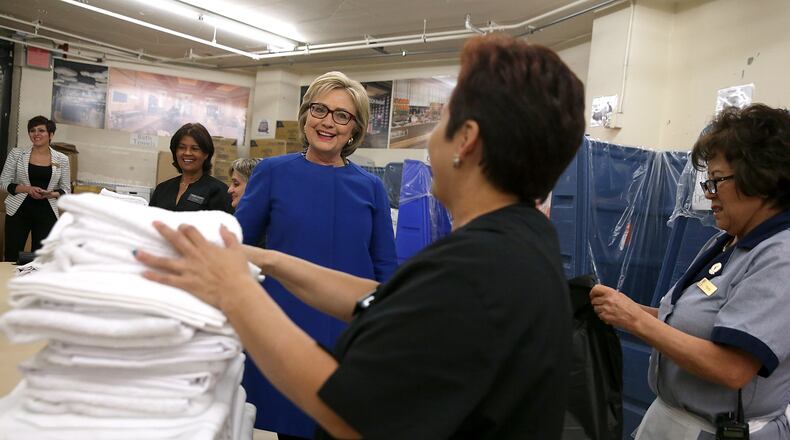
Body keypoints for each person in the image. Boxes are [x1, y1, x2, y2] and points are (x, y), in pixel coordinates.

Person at [136, 34, 584, 439]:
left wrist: (237, 293)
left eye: (441, 121)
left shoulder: (475, 269)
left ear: (465, 140)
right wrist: (267, 261)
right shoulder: (522, 244)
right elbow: (384, 297)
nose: (430, 142)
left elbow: (346, 411)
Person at [590, 104, 790, 439]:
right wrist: (624, 307)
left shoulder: (779, 258)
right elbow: (684, 322)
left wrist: (634, 320)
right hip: (673, 418)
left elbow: (733, 368)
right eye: (706, 182)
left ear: (762, 178)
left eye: (717, 181)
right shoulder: (726, 242)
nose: (708, 195)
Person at [232, 71, 399, 439]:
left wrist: (390, 335)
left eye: (342, 115)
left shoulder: (371, 188)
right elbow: (237, 242)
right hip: (284, 327)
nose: (328, 122)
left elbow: (386, 267)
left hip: (348, 331)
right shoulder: (273, 172)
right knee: (291, 428)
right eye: (320, 109)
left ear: (355, 129)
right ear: (305, 114)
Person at [1, 115, 71, 261]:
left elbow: (66, 189)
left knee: (41, 258)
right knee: (12, 255)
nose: (36, 134)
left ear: (51, 135)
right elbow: (4, 183)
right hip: (19, 211)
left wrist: (49, 193)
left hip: (47, 213)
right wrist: (28, 189)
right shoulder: (17, 154)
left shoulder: (62, 159)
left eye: (41, 130)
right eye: (32, 130)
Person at [149, 123, 232, 213]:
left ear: (206, 154)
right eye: (182, 147)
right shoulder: (162, 189)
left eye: (195, 148)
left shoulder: (219, 191)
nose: (187, 153)